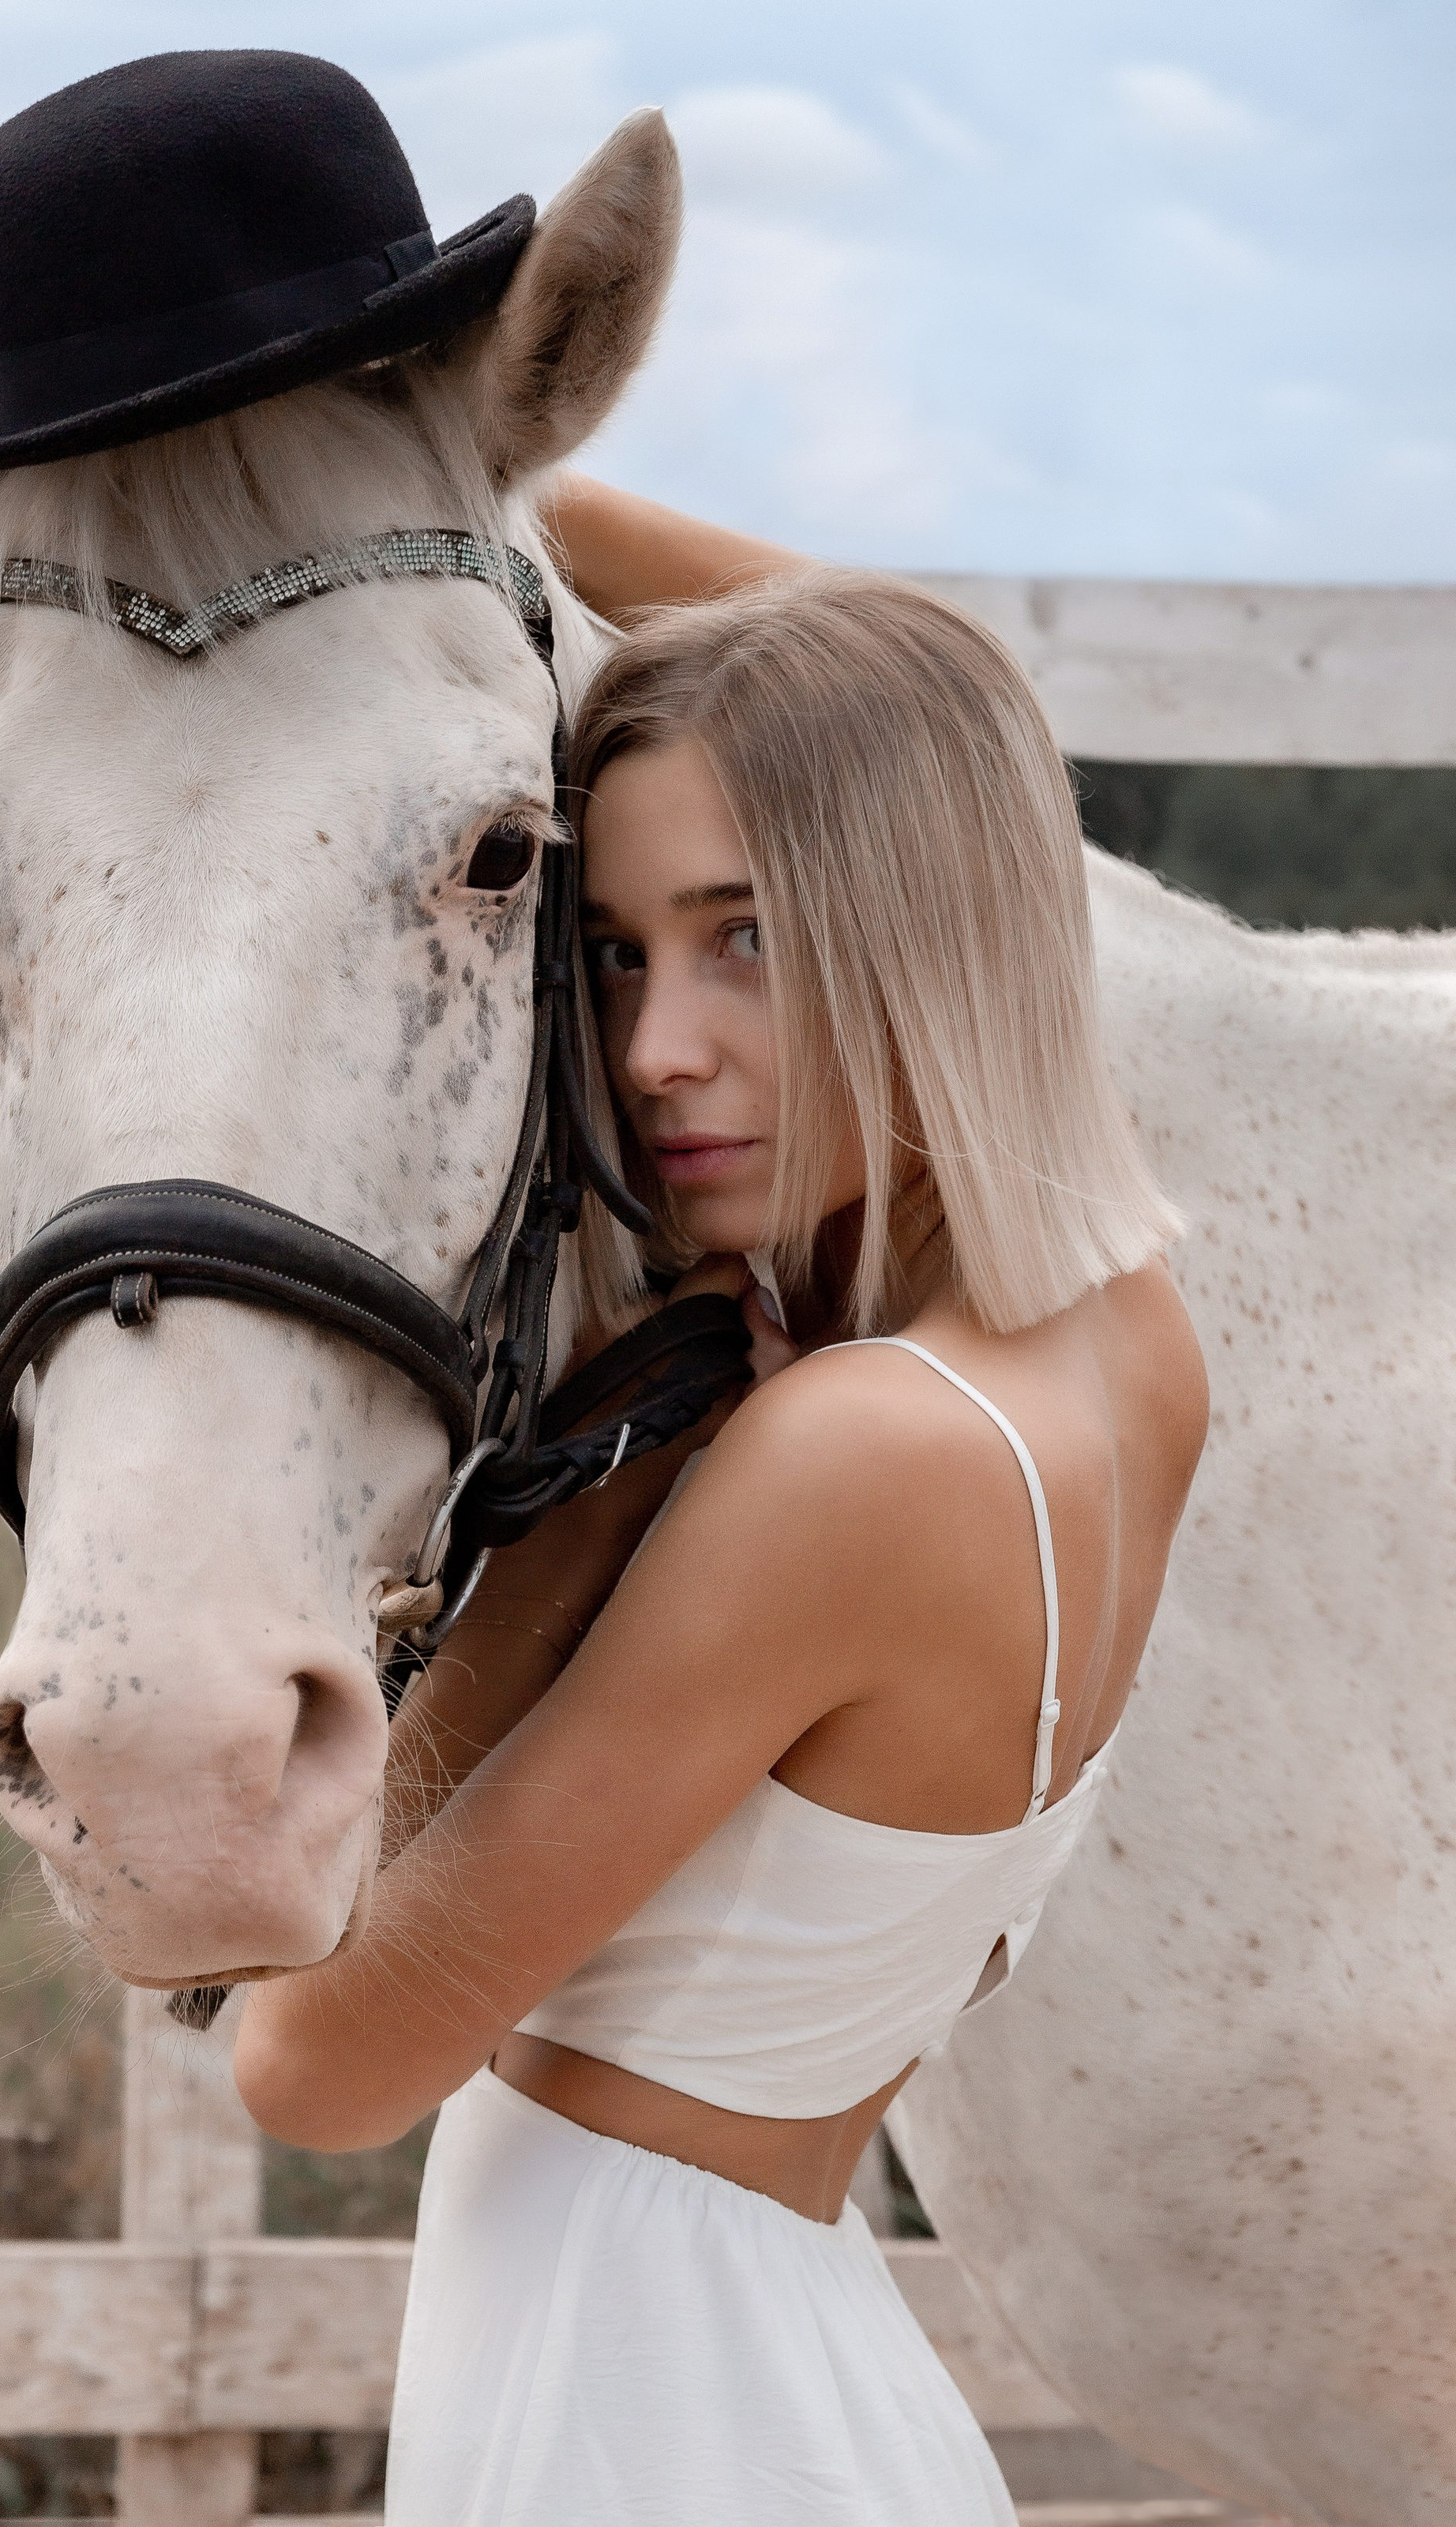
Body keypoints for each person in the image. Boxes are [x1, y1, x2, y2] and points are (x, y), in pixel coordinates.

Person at [234, 480, 1210, 2525]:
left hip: (630, 2397)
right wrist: (492, 486)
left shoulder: (846, 1457)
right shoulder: (1127, 1346)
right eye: (612, 953)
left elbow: (313, 2069)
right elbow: (973, 719)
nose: (659, 1050)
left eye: (747, 940)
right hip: (763, 2350)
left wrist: (583, 1521)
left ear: (929, 918)